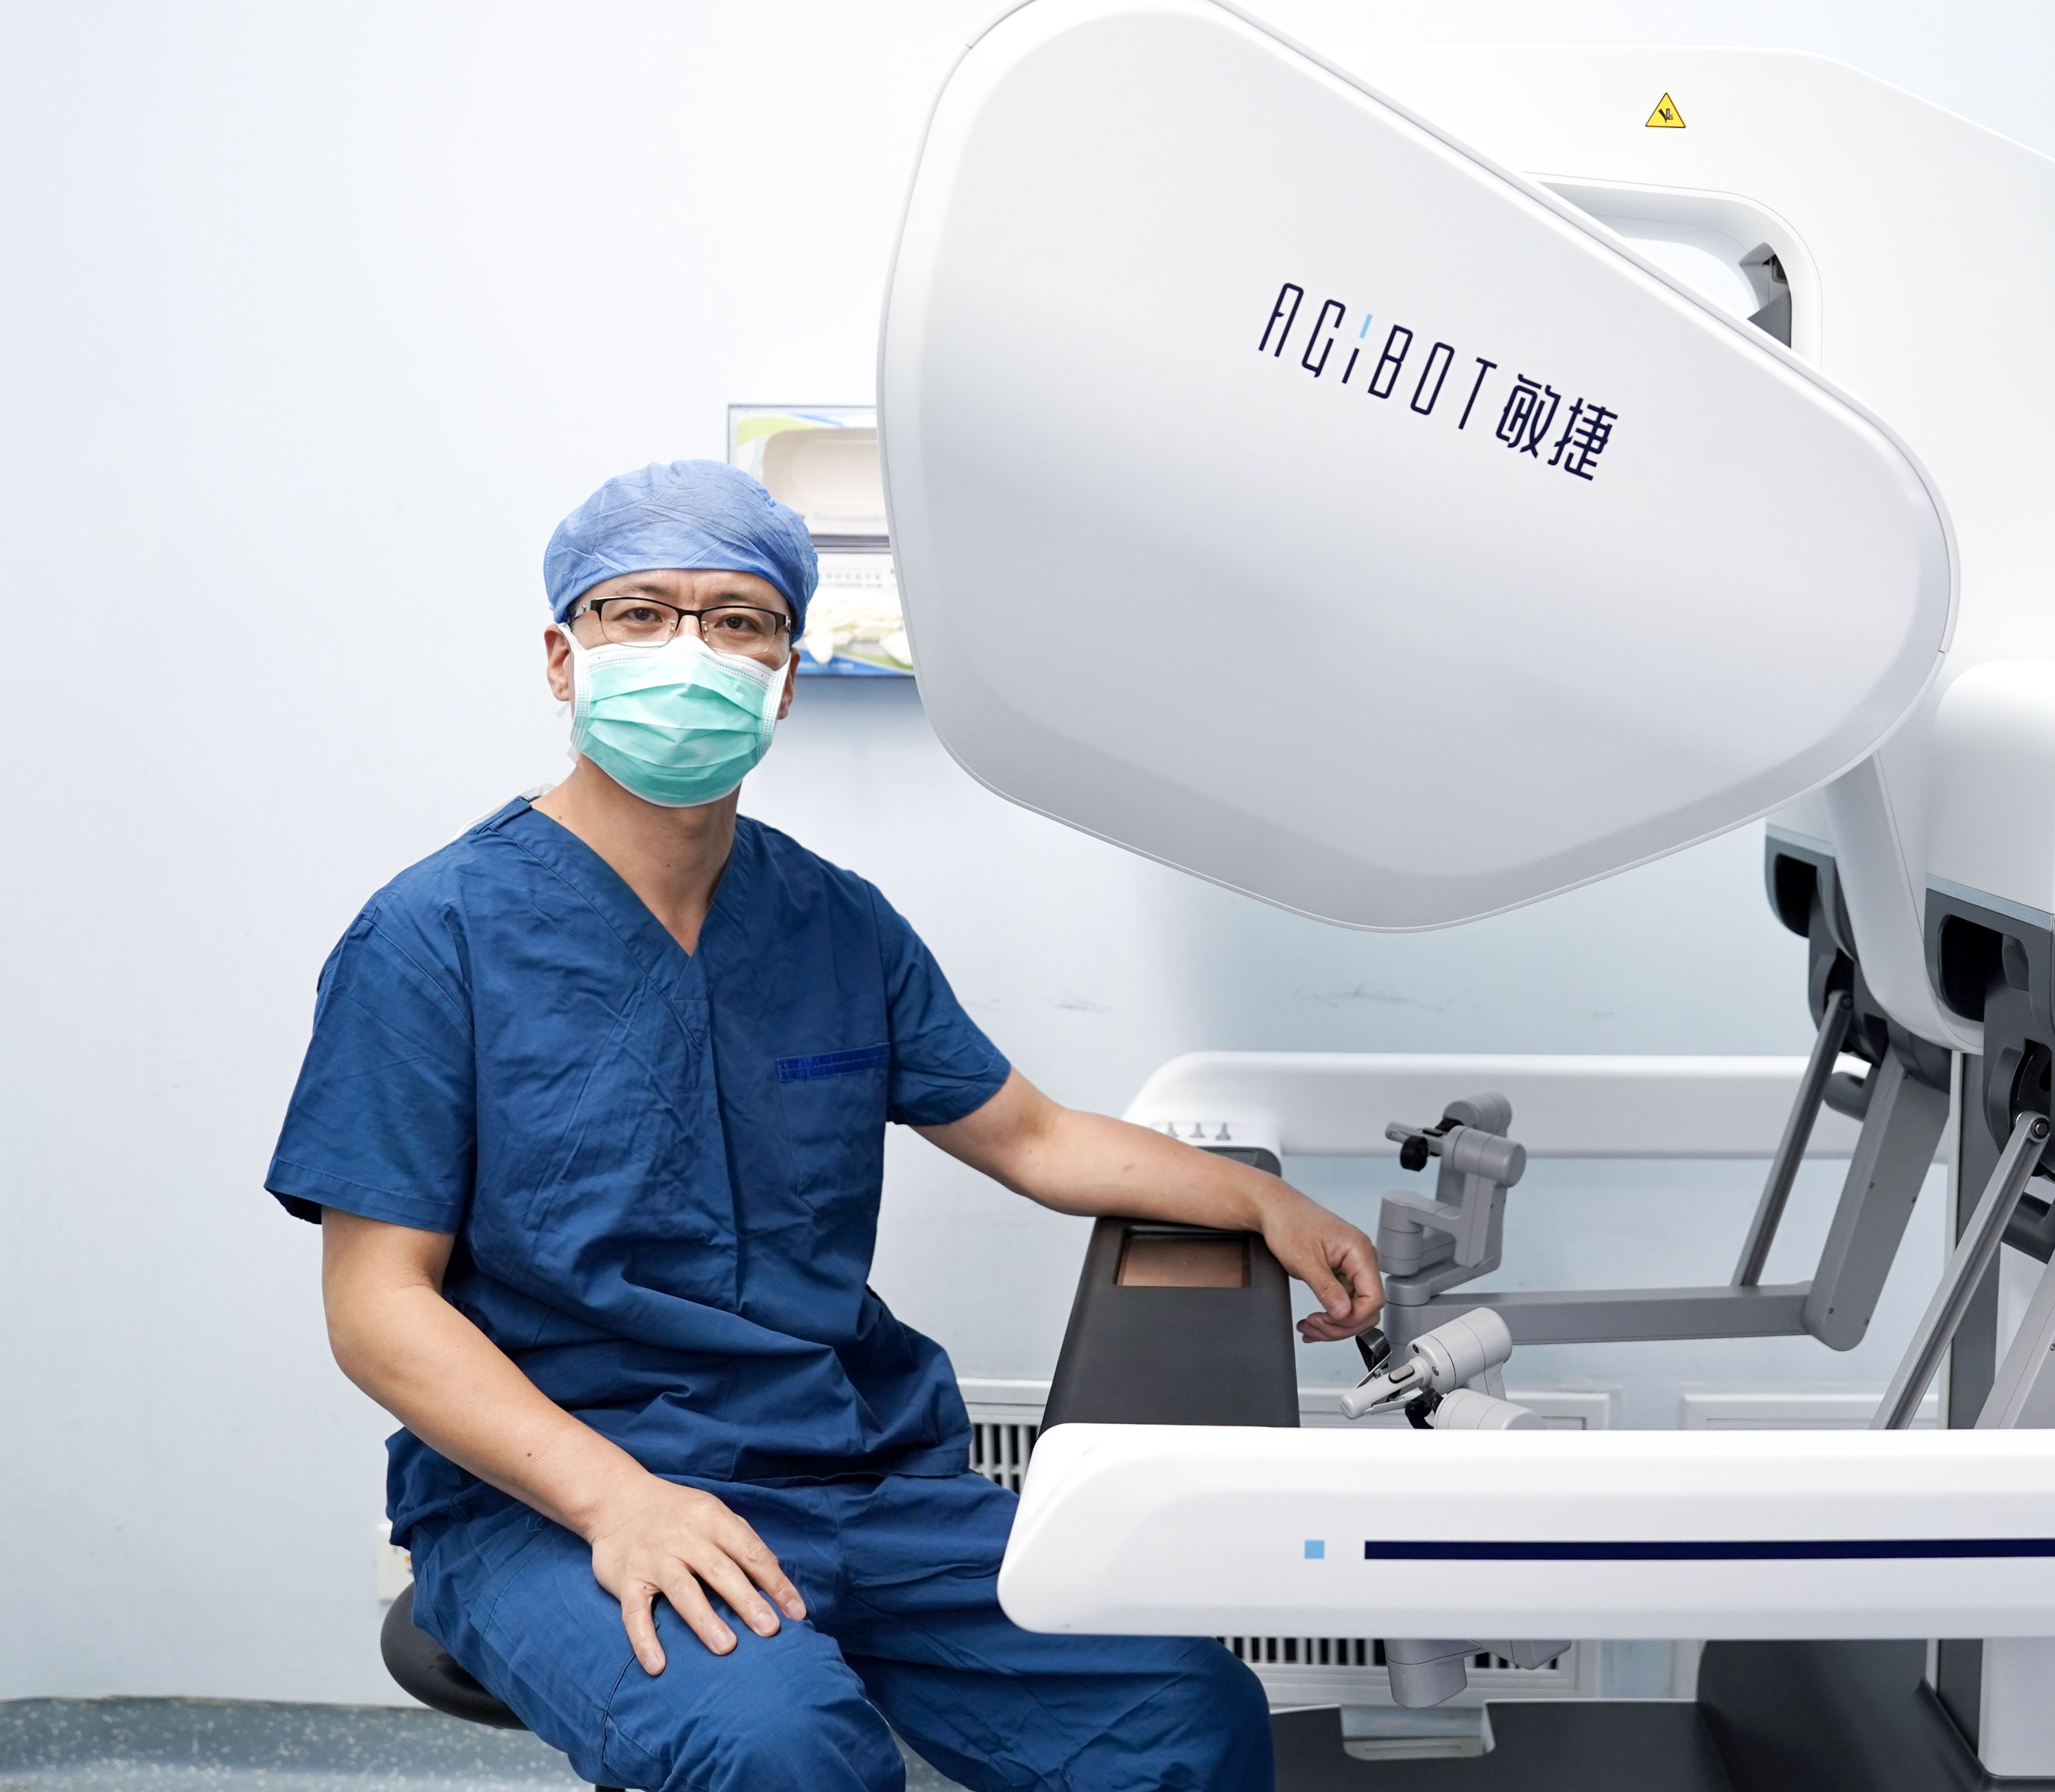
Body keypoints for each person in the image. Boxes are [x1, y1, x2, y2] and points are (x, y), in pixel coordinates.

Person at [267, 459, 1382, 1792]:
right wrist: (616, 1498)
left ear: (784, 677)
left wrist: (1260, 1199)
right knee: (784, 1751)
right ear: (564, 659)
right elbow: (377, 1305)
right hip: (552, 1493)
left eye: (738, 621)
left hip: (853, 1470)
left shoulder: (833, 922)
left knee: (1183, 1716)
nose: (689, 650)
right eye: (639, 614)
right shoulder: (432, 936)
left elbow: (1029, 1138)